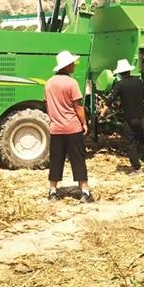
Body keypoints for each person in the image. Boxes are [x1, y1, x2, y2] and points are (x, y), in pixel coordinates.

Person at [45, 50, 94, 203]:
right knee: (78, 159)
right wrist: (84, 123)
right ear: (66, 66)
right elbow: (78, 106)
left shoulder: (49, 83)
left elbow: (47, 104)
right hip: (72, 128)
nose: (74, 65)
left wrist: (54, 118)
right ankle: (84, 191)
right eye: (72, 63)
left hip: (56, 129)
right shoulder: (72, 83)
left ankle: (53, 191)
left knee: (56, 160)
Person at [100, 59, 144, 174]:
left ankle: (137, 168)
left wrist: (103, 113)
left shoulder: (120, 84)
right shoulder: (138, 81)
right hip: (141, 116)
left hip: (130, 118)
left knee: (130, 142)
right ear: (129, 71)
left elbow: (111, 99)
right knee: (143, 138)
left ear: (120, 73)